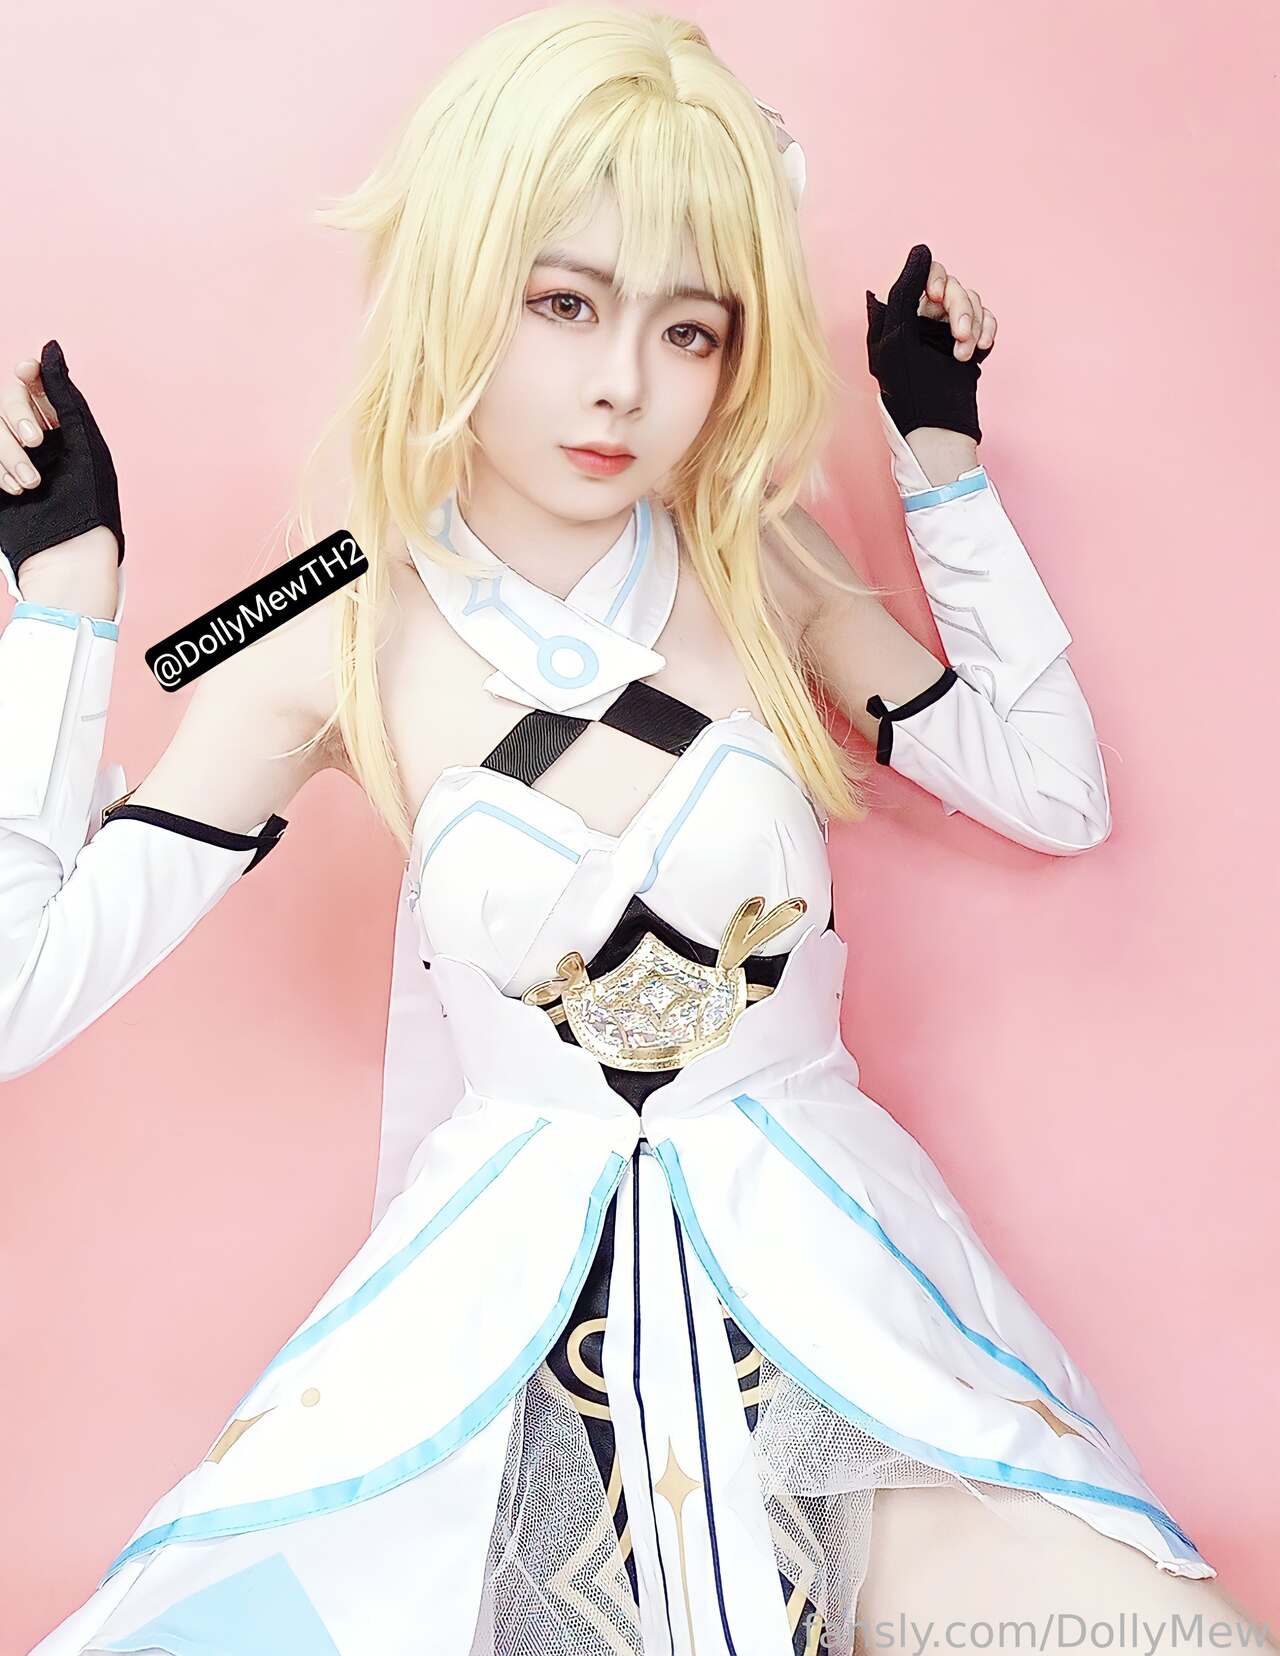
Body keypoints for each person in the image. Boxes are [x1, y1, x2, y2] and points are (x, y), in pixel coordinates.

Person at [2, 8, 1272, 1655]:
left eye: (690, 329)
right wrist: (62, 613)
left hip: (839, 1305)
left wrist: (941, 462)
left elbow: (1054, 790)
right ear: (461, 285)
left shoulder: (760, 555)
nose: (622, 384)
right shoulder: (326, 603)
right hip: (491, 1347)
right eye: (564, 304)